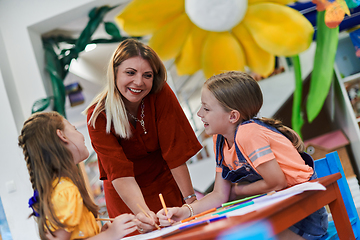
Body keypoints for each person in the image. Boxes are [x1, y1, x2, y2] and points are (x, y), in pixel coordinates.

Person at [157, 71, 328, 240]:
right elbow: (220, 194)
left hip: (305, 214)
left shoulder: (248, 134)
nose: (199, 113)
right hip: (278, 209)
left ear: (233, 116)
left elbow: (277, 181)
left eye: (206, 108)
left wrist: (238, 190)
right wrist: (185, 212)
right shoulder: (220, 139)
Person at [83, 38, 202, 233]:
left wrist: (190, 202)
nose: (139, 82)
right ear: (114, 73)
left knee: (180, 232)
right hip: (125, 195)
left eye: (147, 75)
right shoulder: (99, 115)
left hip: (164, 183)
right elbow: (119, 172)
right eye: (130, 73)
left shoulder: (161, 93)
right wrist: (144, 214)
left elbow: (175, 152)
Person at [18, 111, 138, 240]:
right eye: (74, 129)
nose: (81, 136)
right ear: (62, 136)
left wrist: (100, 234)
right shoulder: (65, 191)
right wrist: (109, 235)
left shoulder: (61, 188)